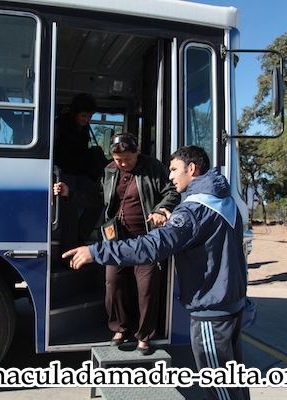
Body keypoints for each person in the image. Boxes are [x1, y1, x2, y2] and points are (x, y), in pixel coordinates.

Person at [62, 145, 250, 400]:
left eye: (174, 169)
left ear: (191, 169)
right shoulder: (224, 199)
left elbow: (151, 247)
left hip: (210, 310)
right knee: (234, 380)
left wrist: (95, 252)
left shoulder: (192, 211)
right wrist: (175, 223)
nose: (170, 176)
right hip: (232, 302)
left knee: (220, 388)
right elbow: (206, 238)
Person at [54, 133, 180, 354]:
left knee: (146, 289)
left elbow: (171, 192)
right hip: (116, 240)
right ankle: (119, 328)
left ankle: (144, 335)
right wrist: (69, 193)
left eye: (127, 159)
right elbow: (97, 197)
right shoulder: (110, 170)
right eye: (117, 159)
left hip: (147, 240)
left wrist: (161, 210)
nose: (122, 164)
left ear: (137, 152)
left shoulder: (153, 167)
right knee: (113, 284)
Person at [54, 93, 105, 250]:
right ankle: (69, 253)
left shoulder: (84, 128)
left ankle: (80, 238)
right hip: (63, 174)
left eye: (89, 116)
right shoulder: (59, 125)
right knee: (70, 215)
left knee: (100, 199)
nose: (86, 120)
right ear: (74, 112)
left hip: (80, 174)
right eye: (83, 115)